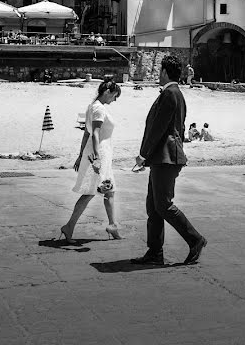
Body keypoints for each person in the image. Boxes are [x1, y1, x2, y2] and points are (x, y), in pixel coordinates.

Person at [132, 55, 207, 266]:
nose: (158, 75)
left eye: (159, 71)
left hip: (165, 157)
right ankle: (155, 251)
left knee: (163, 205)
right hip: (163, 156)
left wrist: (144, 154)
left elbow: (158, 128)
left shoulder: (170, 94)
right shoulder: (175, 94)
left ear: (164, 72)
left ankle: (196, 239)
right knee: (154, 206)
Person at [60, 79, 123, 244]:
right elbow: (94, 133)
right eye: (115, 96)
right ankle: (70, 226)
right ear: (108, 91)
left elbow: (86, 134)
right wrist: (95, 157)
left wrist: (81, 155)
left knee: (108, 190)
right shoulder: (99, 108)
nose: (115, 100)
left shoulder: (92, 106)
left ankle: (112, 225)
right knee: (91, 192)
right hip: (99, 154)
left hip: (100, 153)